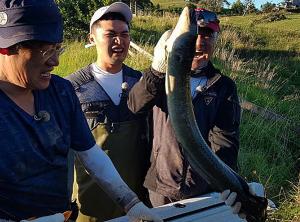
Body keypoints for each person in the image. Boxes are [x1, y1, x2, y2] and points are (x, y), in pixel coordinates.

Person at [0, 1, 161, 222]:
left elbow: (90, 153)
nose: (55, 61)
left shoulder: (61, 92)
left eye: (58, 48)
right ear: (5, 47)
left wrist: (129, 202)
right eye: (45, 50)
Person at [128, 7, 242, 208]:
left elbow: (225, 141)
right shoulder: (159, 80)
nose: (201, 41)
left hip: (203, 189)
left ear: (215, 40)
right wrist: (156, 71)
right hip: (161, 186)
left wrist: (223, 184)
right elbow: (135, 106)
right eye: (196, 35)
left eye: (208, 35)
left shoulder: (223, 86)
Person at [66, 2, 150, 221]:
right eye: (110, 34)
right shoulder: (71, 87)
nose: (119, 41)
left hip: (137, 203)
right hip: (91, 205)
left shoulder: (140, 83)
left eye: (124, 34)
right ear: (91, 38)